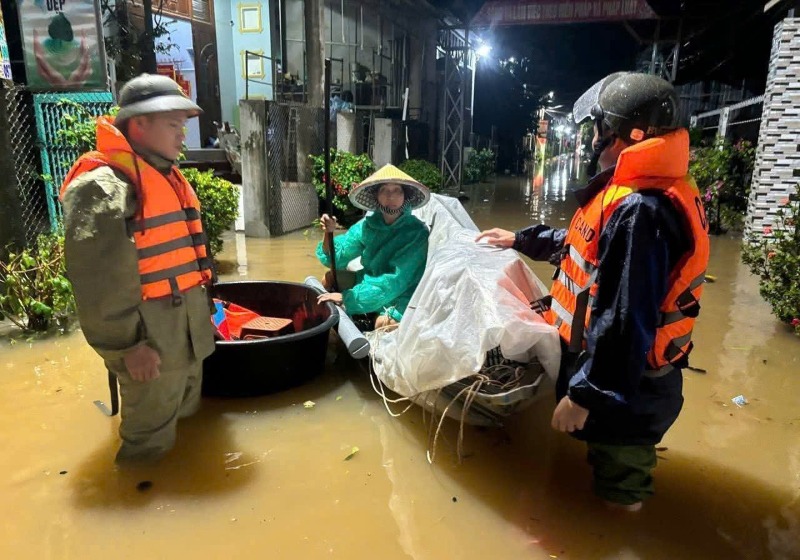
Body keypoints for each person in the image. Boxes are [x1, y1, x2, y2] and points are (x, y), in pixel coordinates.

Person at [477, 72, 710, 511]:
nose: (593, 140)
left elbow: (625, 321)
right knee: (606, 463)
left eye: (599, 130)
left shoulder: (643, 211)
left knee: (621, 493)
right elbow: (581, 243)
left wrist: (585, 396)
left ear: (627, 136)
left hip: (629, 391)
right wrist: (520, 239)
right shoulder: (636, 196)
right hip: (625, 382)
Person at [60, 74, 216, 464]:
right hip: (149, 338)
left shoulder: (165, 174)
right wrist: (128, 348)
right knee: (148, 443)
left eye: (183, 125)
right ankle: (137, 502)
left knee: (186, 420)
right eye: (172, 125)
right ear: (139, 123)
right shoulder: (104, 187)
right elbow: (96, 283)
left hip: (188, 329)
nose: (182, 135)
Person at [316, 164, 430, 330]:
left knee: (382, 324)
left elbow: (394, 281)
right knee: (328, 278)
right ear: (376, 196)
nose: (391, 196)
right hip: (368, 281)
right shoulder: (368, 225)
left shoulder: (417, 233)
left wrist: (346, 298)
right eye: (384, 190)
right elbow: (337, 257)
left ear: (405, 196)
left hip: (400, 293)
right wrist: (329, 232)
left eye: (397, 190)